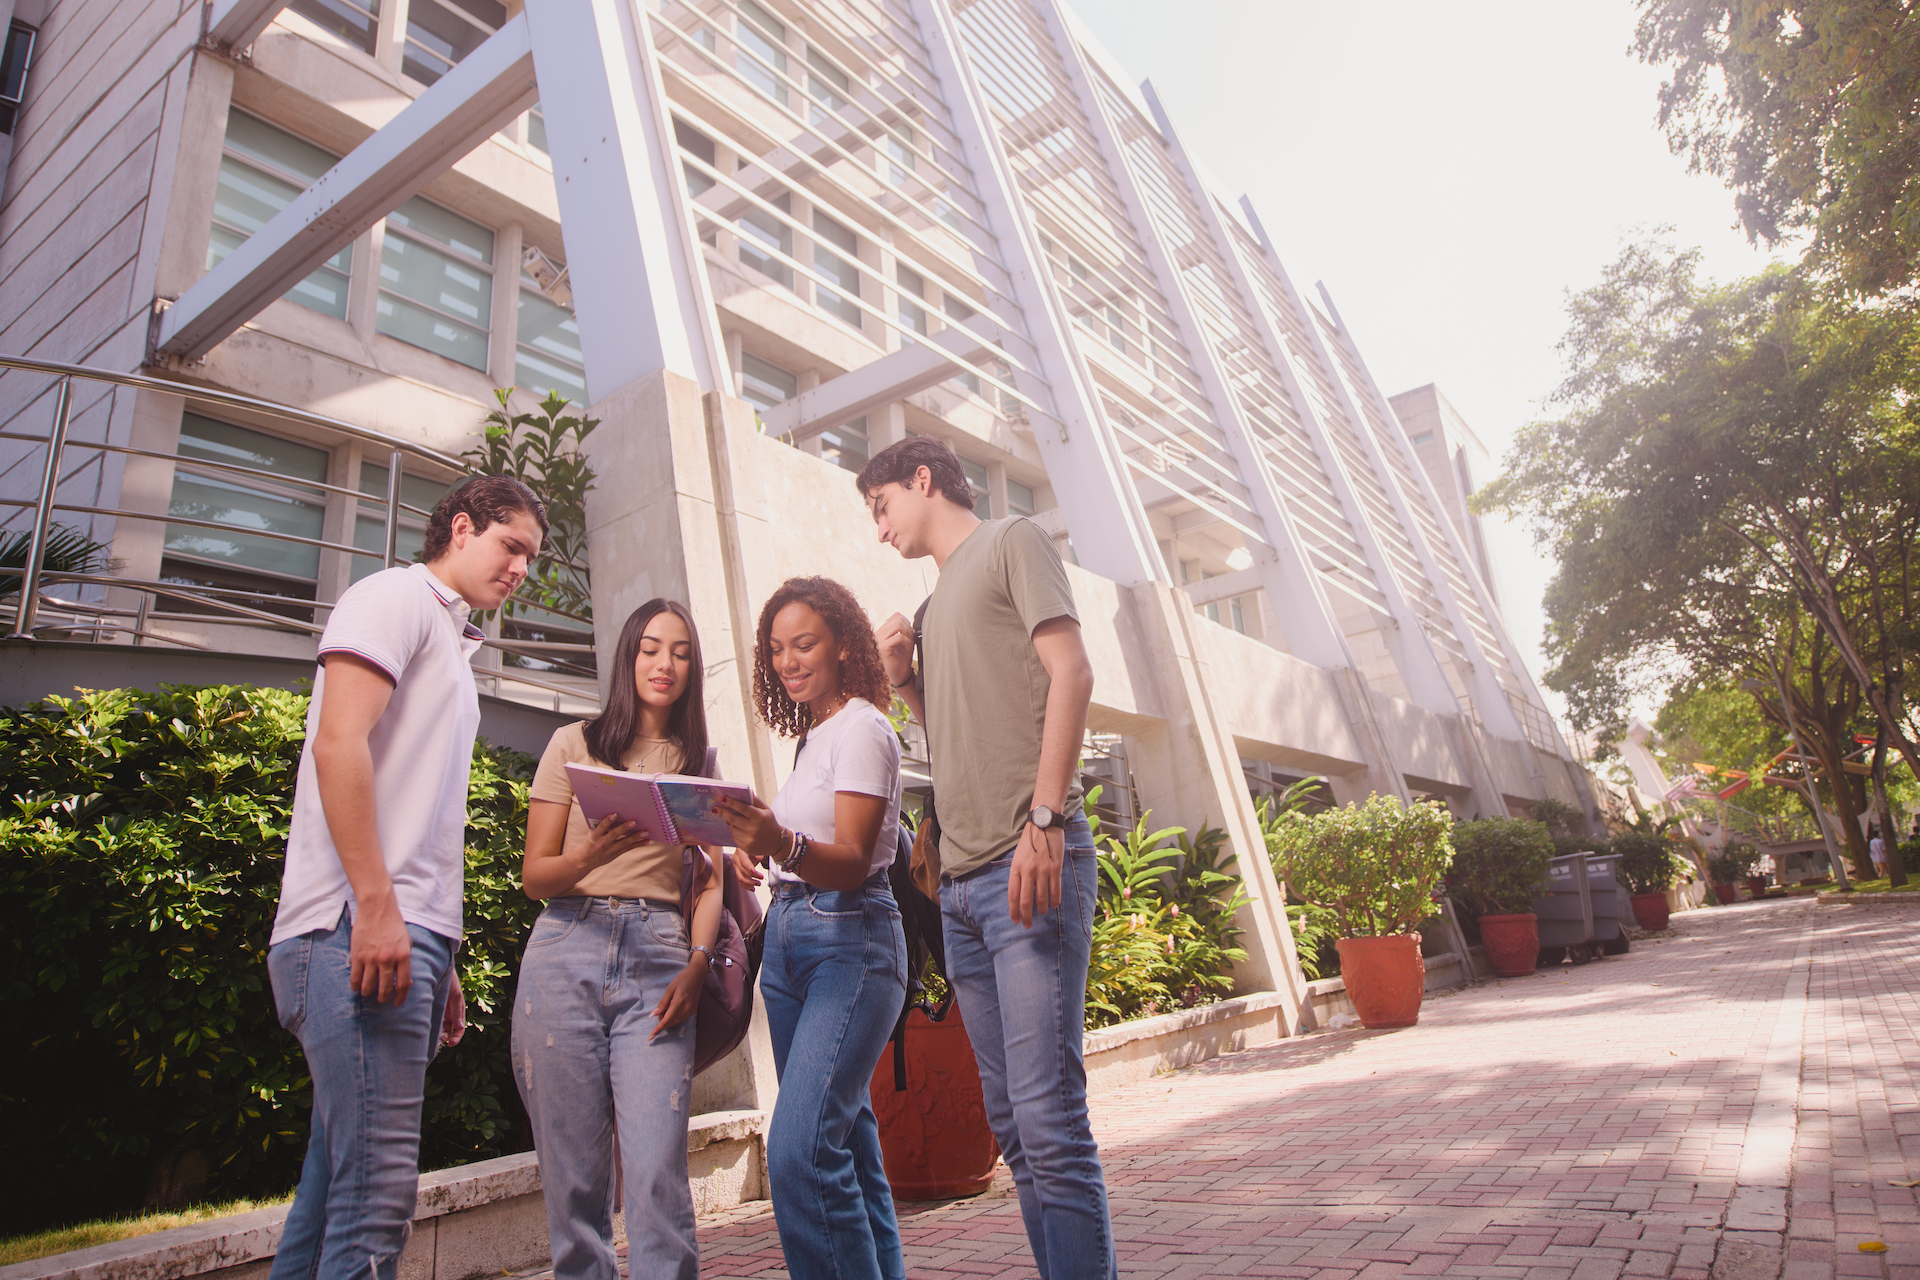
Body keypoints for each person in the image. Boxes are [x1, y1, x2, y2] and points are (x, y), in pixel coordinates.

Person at [267, 475, 548, 1280]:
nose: (522, 569)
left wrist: (440, 951)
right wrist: (380, 912)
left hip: (397, 935)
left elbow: (417, 813)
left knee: (331, 1204)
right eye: (511, 547)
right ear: (461, 528)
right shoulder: (391, 597)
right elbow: (337, 745)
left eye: (531, 556)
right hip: (350, 933)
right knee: (375, 1207)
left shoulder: (448, 642)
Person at [859, 439, 1111, 1280]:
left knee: (1049, 1120)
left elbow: (1071, 674)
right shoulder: (930, 613)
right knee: (1010, 1125)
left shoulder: (1013, 543)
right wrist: (906, 684)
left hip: (1029, 861)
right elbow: (964, 732)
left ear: (921, 480)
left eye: (881, 505)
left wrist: (1046, 817)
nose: (879, 527)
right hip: (963, 890)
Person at [511, 600, 724, 1280]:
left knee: (658, 1172)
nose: (665, 664)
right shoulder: (574, 744)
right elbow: (535, 876)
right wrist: (589, 858)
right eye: (652, 649)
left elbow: (711, 883)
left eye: (681, 652)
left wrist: (698, 963)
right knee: (574, 1183)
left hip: (661, 957)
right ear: (628, 656)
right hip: (566, 944)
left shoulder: (700, 763)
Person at [718, 577, 908, 1280]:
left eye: (804, 644)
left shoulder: (863, 727)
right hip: (794, 941)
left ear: (843, 647)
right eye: (776, 650)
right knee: (850, 1147)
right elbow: (802, 846)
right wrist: (757, 848)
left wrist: (781, 841)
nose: (789, 661)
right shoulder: (813, 738)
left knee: (799, 1152)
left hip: (849, 944)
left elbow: (853, 860)